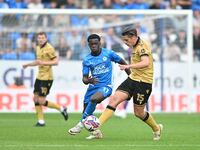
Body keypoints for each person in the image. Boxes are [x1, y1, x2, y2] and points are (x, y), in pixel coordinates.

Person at [90, 26, 163, 140]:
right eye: (124, 40)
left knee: (138, 113)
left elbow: (145, 62)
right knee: (114, 99)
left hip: (144, 82)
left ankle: (156, 128)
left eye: (126, 40)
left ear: (133, 37)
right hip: (133, 78)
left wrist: (128, 66)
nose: (125, 42)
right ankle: (96, 128)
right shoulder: (133, 45)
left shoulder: (142, 46)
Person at [68, 34, 131, 139]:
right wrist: (88, 80)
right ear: (88, 45)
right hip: (92, 87)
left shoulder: (109, 53)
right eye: (91, 44)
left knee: (94, 99)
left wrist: (131, 76)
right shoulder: (87, 60)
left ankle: (79, 125)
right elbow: (84, 79)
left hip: (106, 86)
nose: (94, 46)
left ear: (99, 43)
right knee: (86, 113)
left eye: (95, 43)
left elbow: (123, 62)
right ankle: (96, 133)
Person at [22, 32, 68, 126]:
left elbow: (56, 62)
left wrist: (44, 63)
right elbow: (38, 61)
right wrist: (28, 65)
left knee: (41, 101)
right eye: (39, 38)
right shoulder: (38, 47)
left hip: (47, 78)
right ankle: (41, 121)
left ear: (46, 39)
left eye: (42, 38)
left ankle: (61, 108)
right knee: (35, 98)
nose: (40, 39)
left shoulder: (49, 48)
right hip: (39, 76)